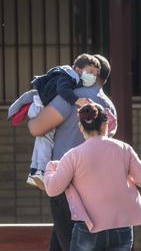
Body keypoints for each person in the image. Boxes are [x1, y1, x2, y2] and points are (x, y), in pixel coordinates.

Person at [43, 103, 141, 251]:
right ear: (106, 124)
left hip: (88, 229)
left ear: (81, 128)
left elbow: (53, 189)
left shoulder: (73, 155)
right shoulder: (124, 149)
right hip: (121, 228)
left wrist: (50, 169)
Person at [28, 54, 116, 251]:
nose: (77, 73)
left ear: (93, 73)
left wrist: (35, 112)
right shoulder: (109, 105)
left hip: (66, 188)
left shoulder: (72, 99)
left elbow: (36, 127)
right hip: (94, 190)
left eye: (81, 69)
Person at [13, 54, 100, 189]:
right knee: (45, 137)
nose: (93, 76)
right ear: (77, 69)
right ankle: (39, 171)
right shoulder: (68, 78)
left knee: (44, 138)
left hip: (39, 106)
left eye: (95, 74)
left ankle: (36, 171)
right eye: (90, 72)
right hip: (38, 107)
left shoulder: (73, 80)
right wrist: (77, 101)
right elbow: (62, 90)